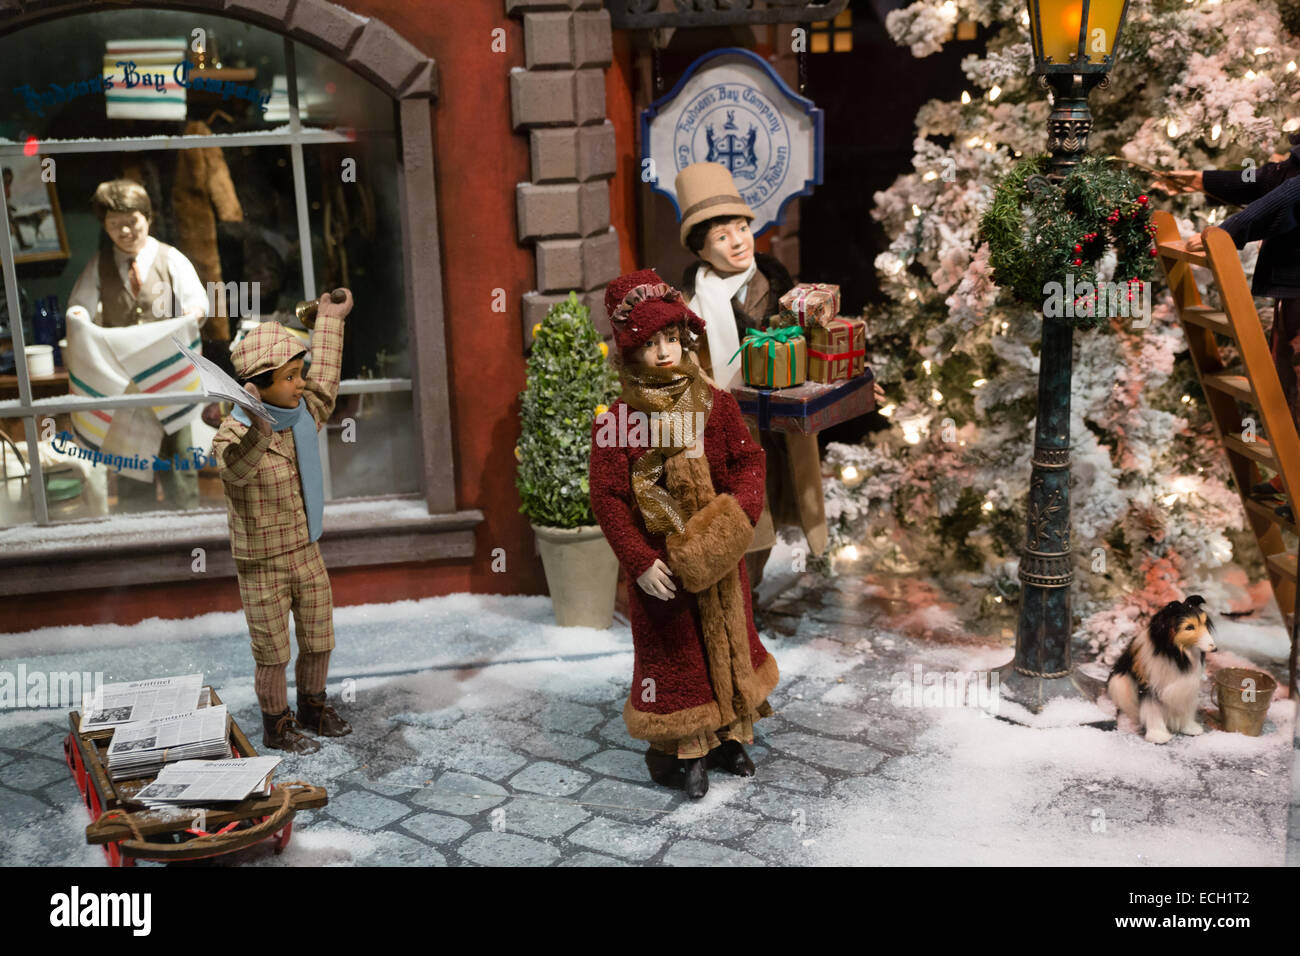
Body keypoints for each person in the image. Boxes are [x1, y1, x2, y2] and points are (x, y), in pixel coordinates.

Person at [589, 268, 779, 799]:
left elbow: (747, 463)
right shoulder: (619, 421)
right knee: (679, 659)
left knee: (730, 641)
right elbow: (607, 498)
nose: (666, 351)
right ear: (630, 353)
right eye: (651, 344)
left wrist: (738, 516)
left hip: (719, 554)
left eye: (671, 338)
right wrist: (640, 561)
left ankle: (730, 736)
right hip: (662, 564)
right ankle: (688, 749)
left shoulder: (715, 405)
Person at [674, 161, 827, 592]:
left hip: (779, 431)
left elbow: (816, 342)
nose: (738, 242)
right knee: (743, 516)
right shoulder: (691, 305)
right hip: (730, 434)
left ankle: (750, 596)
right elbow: (684, 367)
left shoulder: (781, 289)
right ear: (701, 250)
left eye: (741, 228)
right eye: (721, 237)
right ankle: (739, 602)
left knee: (778, 501)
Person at [213, 290, 353, 754]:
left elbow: (327, 380)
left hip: (305, 550)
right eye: (290, 376)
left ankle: (314, 706)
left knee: (319, 636)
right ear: (258, 384)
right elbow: (235, 471)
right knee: (272, 652)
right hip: (261, 563)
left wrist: (329, 320)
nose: (299, 383)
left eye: (299, 373)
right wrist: (257, 428)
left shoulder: (303, 413)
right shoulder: (234, 430)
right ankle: (277, 725)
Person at [1160, 139, 1300, 509]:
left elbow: (1287, 195)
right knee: (1288, 379)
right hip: (1294, 293)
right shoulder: (1292, 166)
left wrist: (1224, 233)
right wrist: (1201, 180)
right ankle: (1292, 471)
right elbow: (1265, 179)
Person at [67, 178, 208, 511]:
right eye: (115, 225)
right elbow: (80, 306)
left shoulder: (171, 258)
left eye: (132, 222)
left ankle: (188, 525)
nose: (125, 231)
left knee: (179, 454)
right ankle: (136, 528)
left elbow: (197, 301)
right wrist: (77, 315)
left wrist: (193, 312)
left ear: (147, 218)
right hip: (127, 379)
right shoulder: (98, 266)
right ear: (105, 227)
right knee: (133, 461)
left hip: (170, 374)